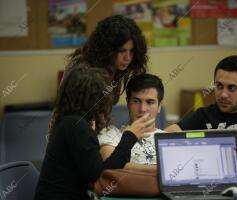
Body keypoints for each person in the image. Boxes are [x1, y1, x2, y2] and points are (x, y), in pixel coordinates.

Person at [34, 67, 155, 200]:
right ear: (93, 98)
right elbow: (102, 173)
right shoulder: (77, 126)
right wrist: (130, 136)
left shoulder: (69, 121)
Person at [48, 15, 148, 135]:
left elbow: (101, 116)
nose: (128, 58)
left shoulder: (115, 66)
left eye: (131, 51)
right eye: (122, 51)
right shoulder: (84, 72)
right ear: (108, 48)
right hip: (73, 138)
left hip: (90, 136)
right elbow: (78, 123)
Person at [99, 74, 165, 172]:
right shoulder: (110, 134)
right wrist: (162, 169)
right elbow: (111, 167)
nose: (142, 109)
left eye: (150, 102)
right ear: (128, 103)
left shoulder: (168, 139)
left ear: (159, 106)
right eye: (136, 101)